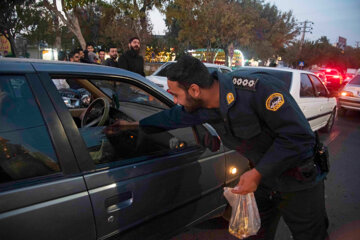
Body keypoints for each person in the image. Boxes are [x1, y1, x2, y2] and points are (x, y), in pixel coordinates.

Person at [105, 55, 329, 240]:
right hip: (264, 182)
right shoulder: (201, 104)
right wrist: (133, 124)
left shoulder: (257, 91)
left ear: (194, 90)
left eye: (175, 94)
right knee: (253, 233)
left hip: (298, 181)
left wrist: (257, 173)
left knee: (310, 236)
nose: (174, 100)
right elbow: (172, 117)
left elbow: (299, 138)